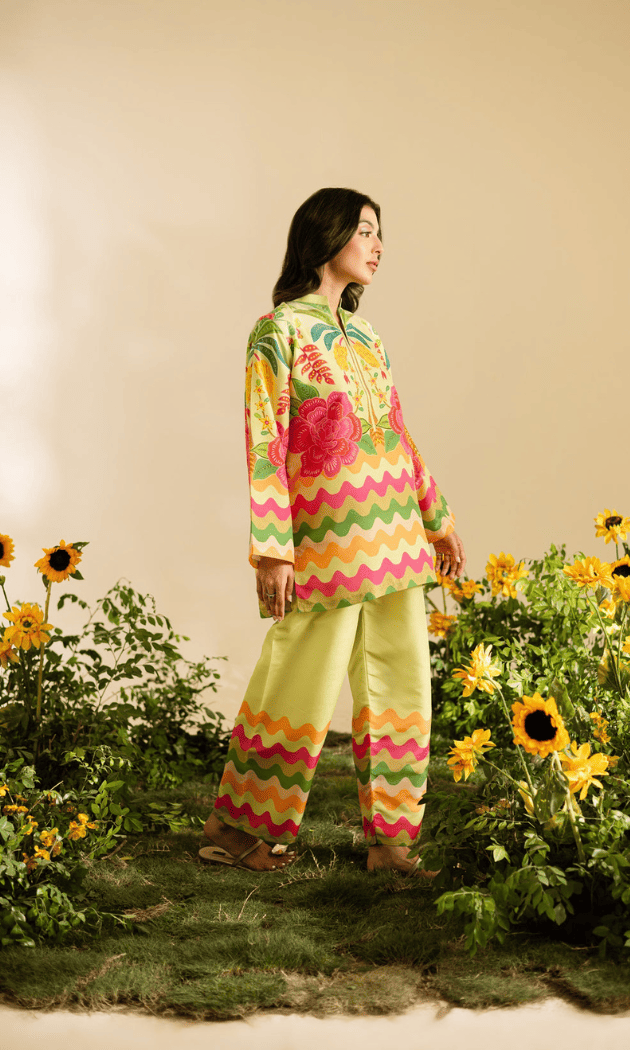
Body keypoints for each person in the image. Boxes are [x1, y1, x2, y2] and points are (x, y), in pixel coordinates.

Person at [200, 188, 466, 873]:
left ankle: (391, 842)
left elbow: (395, 434)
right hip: (327, 540)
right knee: (300, 680)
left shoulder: (368, 337)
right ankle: (238, 828)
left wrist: (437, 518)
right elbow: (265, 441)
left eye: (380, 235)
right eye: (367, 231)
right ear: (328, 235)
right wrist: (272, 549)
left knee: (403, 686)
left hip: (398, 537)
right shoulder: (279, 331)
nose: (378, 246)